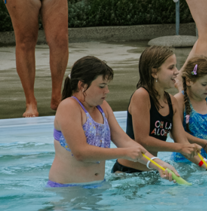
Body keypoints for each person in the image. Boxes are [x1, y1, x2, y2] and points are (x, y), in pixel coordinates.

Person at [48, 56, 176, 187]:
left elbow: (125, 141)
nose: (107, 91)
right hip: (66, 191)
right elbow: (81, 152)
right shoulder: (69, 106)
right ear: (82, 85)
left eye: (107, 85)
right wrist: (125, 153)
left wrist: (158, 164)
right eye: (101, 86)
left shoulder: (102, 107)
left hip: (99, 186)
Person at [112, 46, 205, 173]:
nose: (177, 71)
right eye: (171, 67)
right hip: (127, 172)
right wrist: (180, 147)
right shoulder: (142, 96)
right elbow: (143, 140)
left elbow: (183, 142)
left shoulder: (171, 101)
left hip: (154, 171)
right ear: (154, 72)